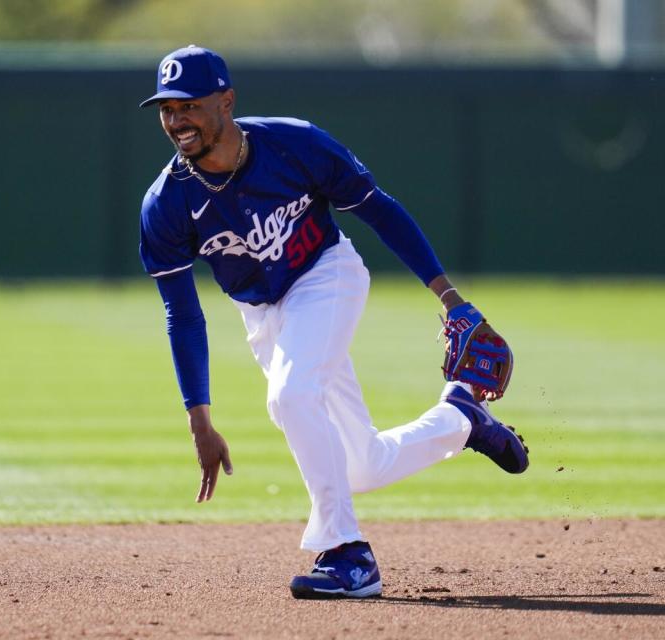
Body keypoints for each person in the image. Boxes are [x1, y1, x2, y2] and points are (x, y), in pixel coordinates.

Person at [138, 45, 529, 600]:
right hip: (262, 312)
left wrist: (451, 299)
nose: (177, 121)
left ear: (226, 101)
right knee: (361, 467)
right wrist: (199, 419)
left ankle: (348, 553)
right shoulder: (166, 203)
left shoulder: (293, 144)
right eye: (167, 109)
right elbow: (183, 314)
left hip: (326, 276)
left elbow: (379, 208)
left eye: (191, 106)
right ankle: (461, 417)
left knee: (290, 397)